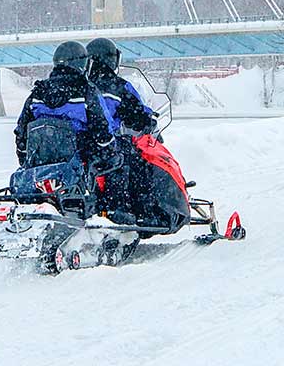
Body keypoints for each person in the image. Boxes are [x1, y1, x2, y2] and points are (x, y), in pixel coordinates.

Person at [84, 36, 191, 233]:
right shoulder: (118, 87)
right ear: (110, 60)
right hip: (110, 142)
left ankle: (112, 209)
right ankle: (140, 212)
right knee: (138, 165)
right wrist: (149, 120)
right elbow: (138, 113)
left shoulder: (82, 86)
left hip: (84, 146)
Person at [13, 41, 114, 168]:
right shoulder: (87, 91)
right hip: (78, 161)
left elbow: (21, 129)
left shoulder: (38, 92)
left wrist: (23, 156)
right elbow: (102, 129)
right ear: (81, 64)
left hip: (40, 162)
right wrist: (109, 152)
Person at [86, 37, 159, 134]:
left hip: (82, 141)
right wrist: (149, 117)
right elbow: (138, 109)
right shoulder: (121, 86)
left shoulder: (81, 85)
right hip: (112, 140)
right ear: (112, 59)